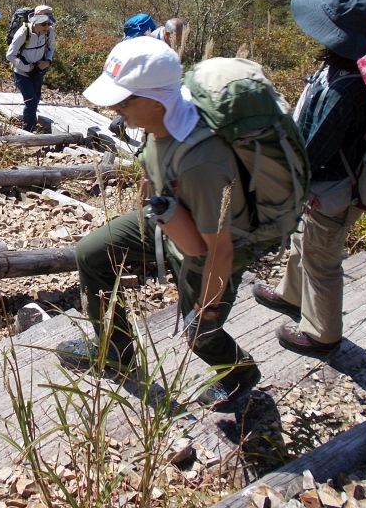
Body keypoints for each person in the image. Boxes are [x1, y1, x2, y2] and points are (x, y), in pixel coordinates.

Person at [57, 37, 262, 408]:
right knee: (92, 253)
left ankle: (239, 372)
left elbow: (220, 248)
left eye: (123, 101)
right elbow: (154, 165)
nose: (118, 110)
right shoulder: (160, 116)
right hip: (171, 217)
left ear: (154, 100)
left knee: (199, 330)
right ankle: (115, 348)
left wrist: (208, 307)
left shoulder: (202, 161)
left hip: (209, 239)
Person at [252, 0, 366, 356]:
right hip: (325, 186)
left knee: (321, 257)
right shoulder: (349, 71)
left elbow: (314, 151)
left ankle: (323, 333)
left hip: (331, 190)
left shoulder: (348, 89)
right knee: (302, 242)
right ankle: (291, 295)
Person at [6, 4, 56, 132]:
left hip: (38, 72)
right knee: (31, 101)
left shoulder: (49, 32)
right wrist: (26, 67)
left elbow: (51, 49)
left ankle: (31, 126)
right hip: (21, 73)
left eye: (49, 23)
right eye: (44, 24)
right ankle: (27, 130)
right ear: (36, 22)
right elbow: (10, 55)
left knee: (36, 99)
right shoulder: (23, 32)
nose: (48, 27)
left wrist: (48, 62)